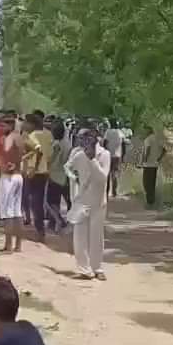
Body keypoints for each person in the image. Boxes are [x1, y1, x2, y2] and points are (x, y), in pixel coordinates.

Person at [67, 128, 110, 280]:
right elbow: (68, 167)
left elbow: (103, 177)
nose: (84, 142)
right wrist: (74, 178)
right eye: (81, 139)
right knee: (80, 236)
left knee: (96, 236)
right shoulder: (78, 154)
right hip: (81, 200)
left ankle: (97, 268)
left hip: (98, 201)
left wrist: (92, 160)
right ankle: (85, 269)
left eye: (87, 139)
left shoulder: (104, 155)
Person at [23, 114, 53, 241]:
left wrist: (34, 168)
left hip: (35, 173)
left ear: (32, 124)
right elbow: (50, 154)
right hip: (45, 171)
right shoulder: (48, 134)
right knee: (39, 201)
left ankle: (40, 230)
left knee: (34, 202)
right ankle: (40, 230)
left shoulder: (32, 136)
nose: (24, 125)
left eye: (26, 123)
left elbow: (38, 150)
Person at [0, 117, 26, 253]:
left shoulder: (9, 137)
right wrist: (16, 162)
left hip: (8, 178)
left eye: (4, 125)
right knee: (17, 211)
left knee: (8, 212)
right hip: (18, 176)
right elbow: (26, 152)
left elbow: (6, 149)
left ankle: (8, 246)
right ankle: (18, 246)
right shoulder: (20, 138)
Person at [44, 120, 72, 233]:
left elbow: (51, 160)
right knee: (69, 200)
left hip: (55, 175)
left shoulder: (56, 145)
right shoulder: (68, 144)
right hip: (66, 176)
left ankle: (58, 219)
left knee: (51, 201)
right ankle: (69, 221)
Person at [140, 126, 166, 207]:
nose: (144, 132)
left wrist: (144, 160)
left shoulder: (148, 139)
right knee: (152, 183)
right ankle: (152, 201)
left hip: (148, 165)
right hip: (155, 164)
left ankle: (149, 201)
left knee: (146, 183)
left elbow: (147, 149)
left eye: (145, 131)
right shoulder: (157, 139)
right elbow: (164, 150)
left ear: (148, 131)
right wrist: (159, 158)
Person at [102, 120, 125, 198]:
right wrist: (123, 155)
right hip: (117, 155)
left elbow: (105, 142)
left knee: (107, 173)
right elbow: (123, 144)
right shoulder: (120, 132)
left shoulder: (108, 132)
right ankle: (114, 192)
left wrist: (103, 152)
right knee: (114, 173)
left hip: (108, 155)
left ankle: (107, 191)